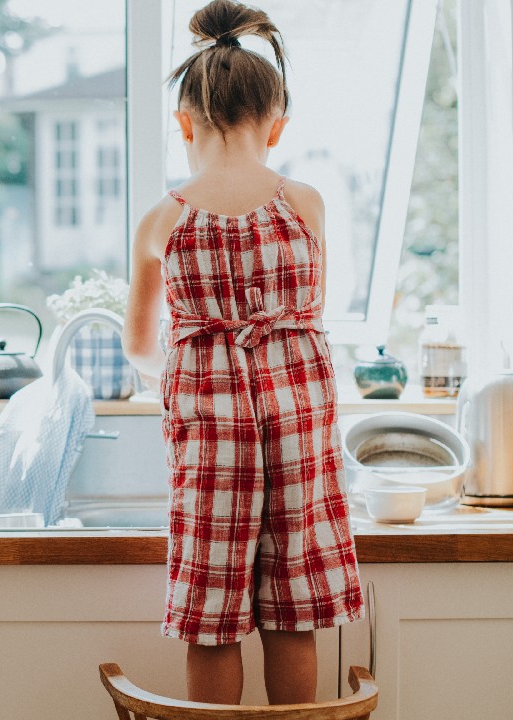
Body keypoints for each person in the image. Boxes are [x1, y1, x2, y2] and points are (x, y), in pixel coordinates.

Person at [122, 0, 363, 706]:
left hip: (211, 435)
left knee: (212, 617)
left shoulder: (163, 220)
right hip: (297, 424)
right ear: (276, 125)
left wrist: (190, 368)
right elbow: (311, 312)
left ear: (184, 123)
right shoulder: (305, 205)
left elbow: (140, 347)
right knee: (293, 611)